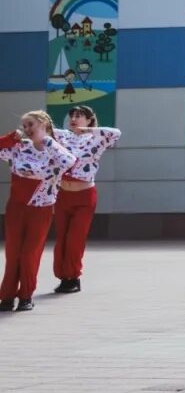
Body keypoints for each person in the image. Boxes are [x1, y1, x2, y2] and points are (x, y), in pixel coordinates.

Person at [0, 111, 78, 312]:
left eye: (30, 124)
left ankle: (26, 295)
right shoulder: (19, 147)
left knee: (29, 254)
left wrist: (47, 141)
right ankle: (7, 297)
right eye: (24, 126)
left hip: (40, 209)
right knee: (13, 253)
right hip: (16, 207)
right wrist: (10, 138)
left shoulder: (55, 150)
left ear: (43, 124)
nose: (27, 129)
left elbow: (71, 162)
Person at [52, 105, 121, 294]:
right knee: (62, 239)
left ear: (89, 119)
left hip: (84, 196)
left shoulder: (96, 138)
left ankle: (73, 277)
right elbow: (41, 130)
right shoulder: (62, 136)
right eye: (72, 115)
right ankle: (63, 277)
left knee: (75, 239)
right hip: (62, 194)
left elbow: (116, 133)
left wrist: (87, 130)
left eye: (80, 116)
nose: (74, 118)